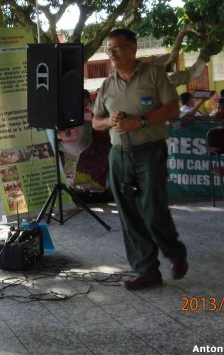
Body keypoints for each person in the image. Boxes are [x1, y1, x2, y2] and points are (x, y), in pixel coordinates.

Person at [93, 28, 187, 290]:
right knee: (128, 213)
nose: (112, 53)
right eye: (109, 49)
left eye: (117, 48)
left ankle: (175, 252)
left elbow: (173, 108)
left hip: (150, 151)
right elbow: (96, 121)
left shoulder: (154, 74)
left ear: (133, 49)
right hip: (119, 155)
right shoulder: (107, 84)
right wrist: (108, 121)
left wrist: (141, 121)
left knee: (152, 210)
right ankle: (147, 270)